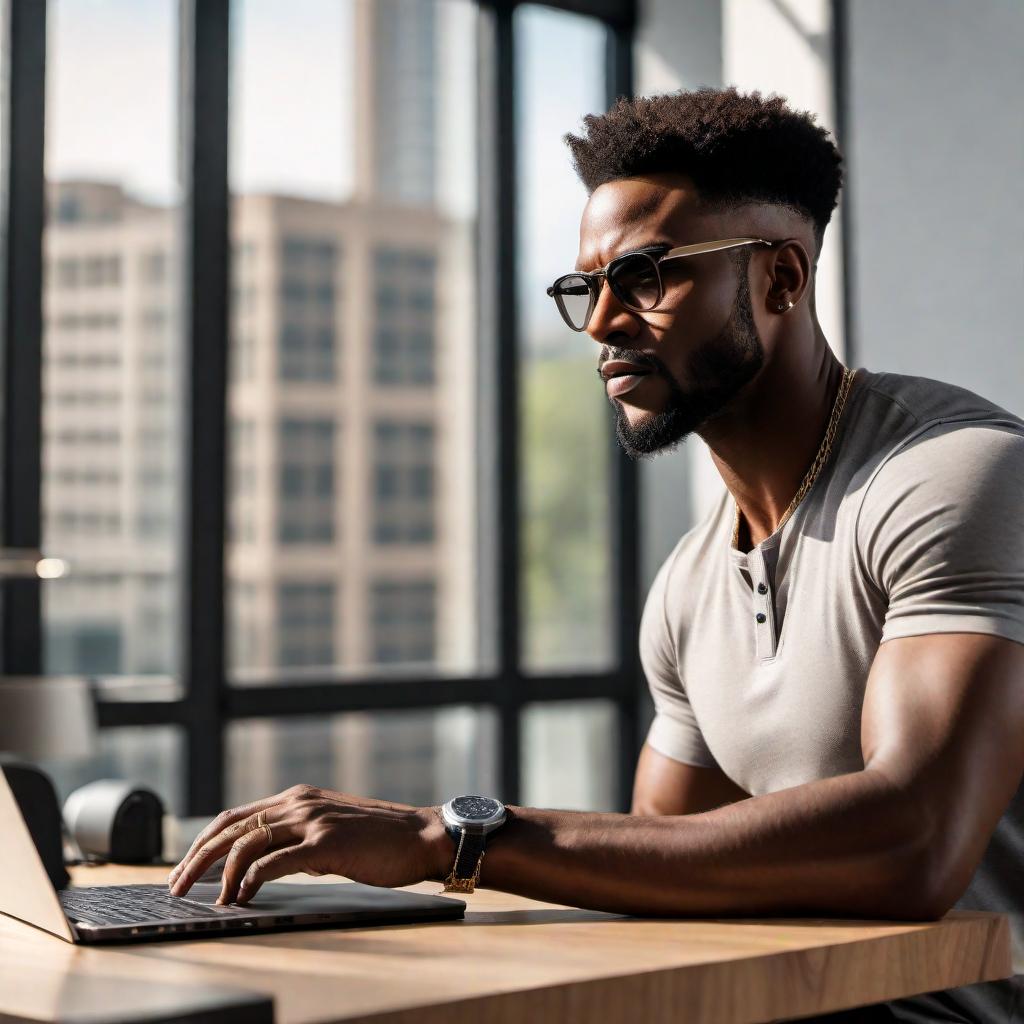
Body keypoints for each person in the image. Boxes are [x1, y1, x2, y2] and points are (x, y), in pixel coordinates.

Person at [168, 87, 1024, 1023]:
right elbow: (661, 871)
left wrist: (449, 838)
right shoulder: (689, 586)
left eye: (647, 277)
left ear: (781, 277)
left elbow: (916, 844)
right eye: (589, 288)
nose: (606, 323)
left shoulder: (960, 477)